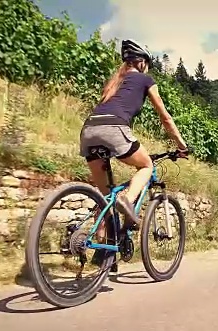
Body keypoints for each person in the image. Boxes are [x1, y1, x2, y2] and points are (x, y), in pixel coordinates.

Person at [80, 39, 188, 235]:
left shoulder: (115, 81)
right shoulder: (145, 80)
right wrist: (181, 145)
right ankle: (127, 200)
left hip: (88, 131)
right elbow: (165, 117)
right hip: (113, 129)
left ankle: (102, 253)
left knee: (105, 200)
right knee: (147, 165)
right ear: (142, 63)